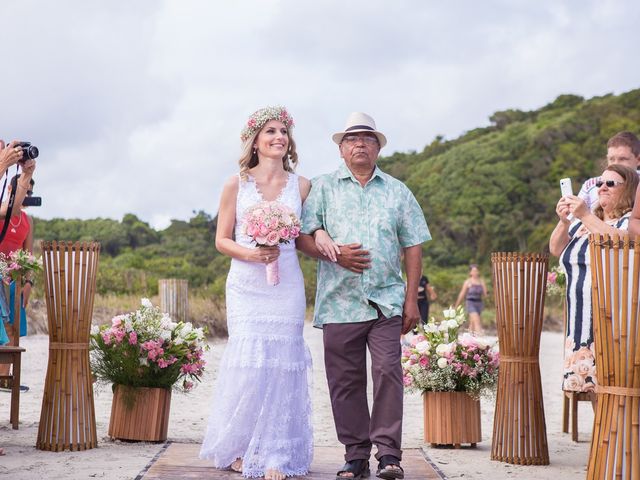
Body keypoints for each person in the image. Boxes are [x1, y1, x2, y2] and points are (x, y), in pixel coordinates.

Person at [298, 112, 430, 480]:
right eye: (352, 139)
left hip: (386, 300)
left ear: (378, 148)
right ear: (341, 150)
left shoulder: (397, 190)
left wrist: (411, 300)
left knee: (388, 371)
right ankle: (355, 455)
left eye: (368, 139)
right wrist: (335, 252)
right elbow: (303, 237)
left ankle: (389, 454)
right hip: (339, 301)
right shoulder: (323, 188)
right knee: (345, 381)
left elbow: (413, 244)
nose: (360, 144)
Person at [199, 107, 313, 480]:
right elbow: (221, 240)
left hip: (287, 285)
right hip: (247, 286)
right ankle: (239, 448)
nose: (279, 137)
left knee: (283, 364)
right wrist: (252, 253)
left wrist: (324, 236)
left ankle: (277, 452)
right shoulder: (236, 184)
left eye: (284, 131)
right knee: (249, 365)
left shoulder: (302, 185)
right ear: (255, 140)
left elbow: (309, 234)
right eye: (271, 131)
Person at [550, 164, 638, 394]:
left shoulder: (628, 223)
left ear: (628, 189)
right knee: (588, 384)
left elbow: (621, 242)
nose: (603, 188)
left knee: (611, 384)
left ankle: (613, 431)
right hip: (580, 319)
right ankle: (604, 430)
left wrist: (585, 214)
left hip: (612, 318)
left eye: (611, 184)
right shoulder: (580, 223)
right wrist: (564, 221)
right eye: (600, 183)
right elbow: (556, 248)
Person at [0, 174, 36, 392]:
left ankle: (6, 376)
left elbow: (29, 254)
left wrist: (29, 282)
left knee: (14, 327)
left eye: (30, 192)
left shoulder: (27, 220)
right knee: (3, 325)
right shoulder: (2, 213)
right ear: (12, 190)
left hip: (17, 277)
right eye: (25, 190)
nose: (27, 195)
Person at [577, 131, 640, 211]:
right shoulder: (590, 186)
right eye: (611, 159)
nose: (616, 164)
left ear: (638, 160)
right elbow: (574, 218)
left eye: (622, 159)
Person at [454, 264, 488, 335]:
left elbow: (485, 294)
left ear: (478, 272)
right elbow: (462, 294)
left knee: (472, 323)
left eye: (476, 271)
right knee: (477, 321)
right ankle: (480, 339)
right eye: (473, 271)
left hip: (479, 303)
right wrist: (456, 305)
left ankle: (468, 340)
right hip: (470, 303)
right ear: (470, 272)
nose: (475, 272)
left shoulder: (482, 281)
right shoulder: (468, 282)